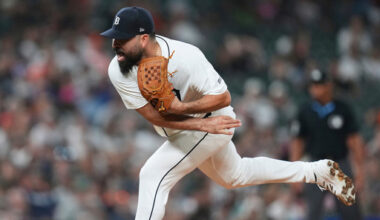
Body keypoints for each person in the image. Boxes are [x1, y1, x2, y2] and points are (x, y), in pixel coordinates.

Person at [101, 7, 356, 220]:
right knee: (236, 176)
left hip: (215, 119)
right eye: (115, 37)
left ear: (144, 39)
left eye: (122, 38)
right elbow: (154, 116)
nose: (116, 44)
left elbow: (222, 97)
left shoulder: (186, 57)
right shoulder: (119, 68)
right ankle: (317, 172)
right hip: (191, 128)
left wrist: (188, 113)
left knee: (152, 174)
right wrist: (189, 120)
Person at [290, 69, 365, 220]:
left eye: (319, 85)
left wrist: (360, 170)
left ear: (329, 86)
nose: (315, 89)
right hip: (315, 165)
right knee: (313, 212)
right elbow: (297, 142)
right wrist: (295, 174)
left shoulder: (342, 108)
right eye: (313, 85)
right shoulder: (305, 111)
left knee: (351, 213)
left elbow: (354, 141)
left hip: (340, 165)